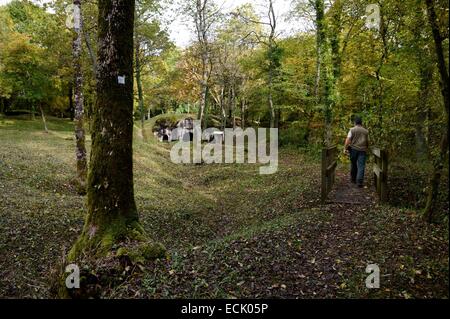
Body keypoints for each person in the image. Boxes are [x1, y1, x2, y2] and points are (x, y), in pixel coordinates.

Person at [344, 116, 369, 187]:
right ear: (361, 123)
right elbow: (367, 141)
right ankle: (359, 182)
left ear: (355, 122)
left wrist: (345, 148)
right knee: (361, 166)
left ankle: (353, 179)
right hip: (362, 150)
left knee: (353, 164)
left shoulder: (352, 130)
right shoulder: (365, 131)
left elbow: (348, 140)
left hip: (353, 150)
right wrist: (367, 148)